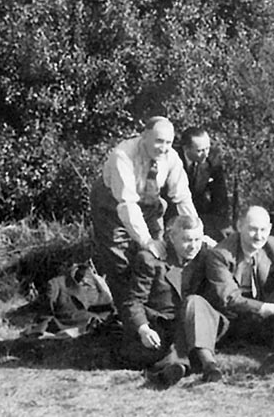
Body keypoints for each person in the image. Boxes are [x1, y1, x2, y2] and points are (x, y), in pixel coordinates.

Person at [90, 116, 197, 308]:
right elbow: (127, 204)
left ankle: (158, 311)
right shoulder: (122, 155)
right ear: (144, 136)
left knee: (161, 253)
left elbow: (181, 197)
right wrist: (146, 241)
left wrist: (197, 230)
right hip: (113, 206)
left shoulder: (171, 157)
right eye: (158, 141)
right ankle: (130, 320)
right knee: (120, 263)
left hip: (148, 204)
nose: (163, 148)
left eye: (168, 142)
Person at [119, 215, 223, 385]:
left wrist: (219, 249)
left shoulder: (208, 256)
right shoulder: (151, 260)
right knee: (167, 336)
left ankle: (199, 364)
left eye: (198, 239)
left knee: (194, 301)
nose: (193, 246)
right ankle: (183, 366)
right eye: (187, 240)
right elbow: (133, 301)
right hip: (163, 326)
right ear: (171, 237)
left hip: (198, 321)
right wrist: (143, 329)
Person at [202, 205, 274, 365]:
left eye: (263, 230)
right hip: (232, 321)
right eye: (253, 229)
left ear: (270, 229)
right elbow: (229, 299)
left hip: (262, 318)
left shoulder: (273, 246)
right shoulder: (219, 255)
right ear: (239, 226)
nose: (259, 236)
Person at [175, 127, 229, 242]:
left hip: (201, 210)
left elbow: (220, 195)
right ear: (186, 148)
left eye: (207, 148)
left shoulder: (213, 158)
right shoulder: (173, 158)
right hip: (174, 210)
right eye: (200, 151)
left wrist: (219, 222)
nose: (205, 154)